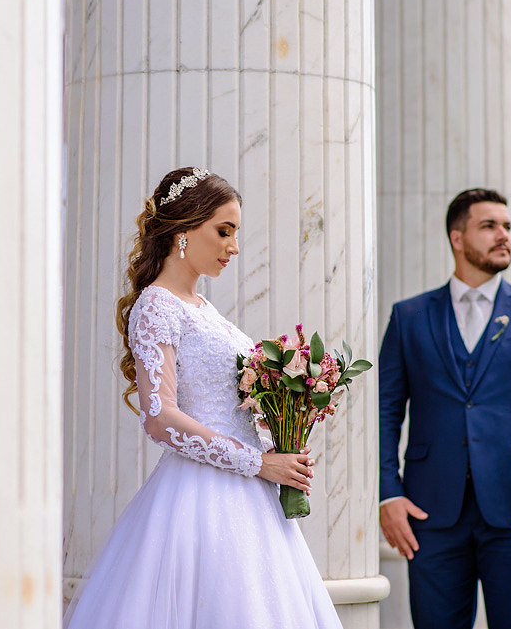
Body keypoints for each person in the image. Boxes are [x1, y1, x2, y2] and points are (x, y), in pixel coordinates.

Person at [64, 167, 342, 629]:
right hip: (201, 499)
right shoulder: (156, 305)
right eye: (224, 231)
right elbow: (160, 418)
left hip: (252, 494)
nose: (234, 246)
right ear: (183, 232)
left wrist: (279, 438)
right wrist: (258, 463)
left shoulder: (203, 307)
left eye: (235, 233)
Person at [378, 188, 511, 629]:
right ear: (457, 238)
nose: (503, 235)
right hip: (430, 511)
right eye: (489, 226)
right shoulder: (409, 317)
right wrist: (387, 493)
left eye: (507, 227)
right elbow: (384, 412)